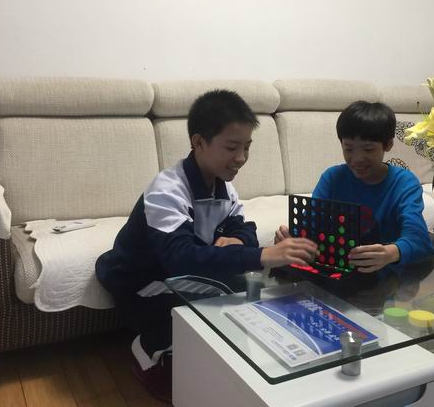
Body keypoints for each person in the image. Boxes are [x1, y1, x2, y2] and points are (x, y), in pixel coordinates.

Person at [96, 89, 318, 403]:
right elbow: (181, 258)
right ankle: (146, 349)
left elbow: (245, 229)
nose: (241, 158)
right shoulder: (167, 190)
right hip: (140, 283)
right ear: (199, 143)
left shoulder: (223, 187)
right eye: (231, 147)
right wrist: (264, 255)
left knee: (244, 293)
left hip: (180, 275)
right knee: (204, 309)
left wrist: (239, 240)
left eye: (247, 147)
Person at [275, 100, 433, 275]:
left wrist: (392, 252)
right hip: (340, 271)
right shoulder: (333, 178)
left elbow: (420, 240)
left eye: (368, 150)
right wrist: (290, 238)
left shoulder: (404, 183)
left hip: (388, 275)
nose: (357, 159)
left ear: (388, 144)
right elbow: (309, 224)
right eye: (348, 149)